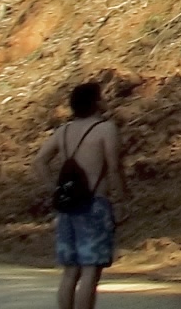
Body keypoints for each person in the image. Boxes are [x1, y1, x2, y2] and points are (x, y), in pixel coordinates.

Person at [31, 82, 128, 309]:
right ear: (95, 102)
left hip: (68, 207)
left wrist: (55, 189)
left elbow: (40, 161)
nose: (106, 100)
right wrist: (122, 199)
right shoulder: (106, 129)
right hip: (94, 205)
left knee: (70, 272)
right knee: (90, 272)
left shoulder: (63, 131)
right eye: (102, 97)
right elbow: (114, 167)